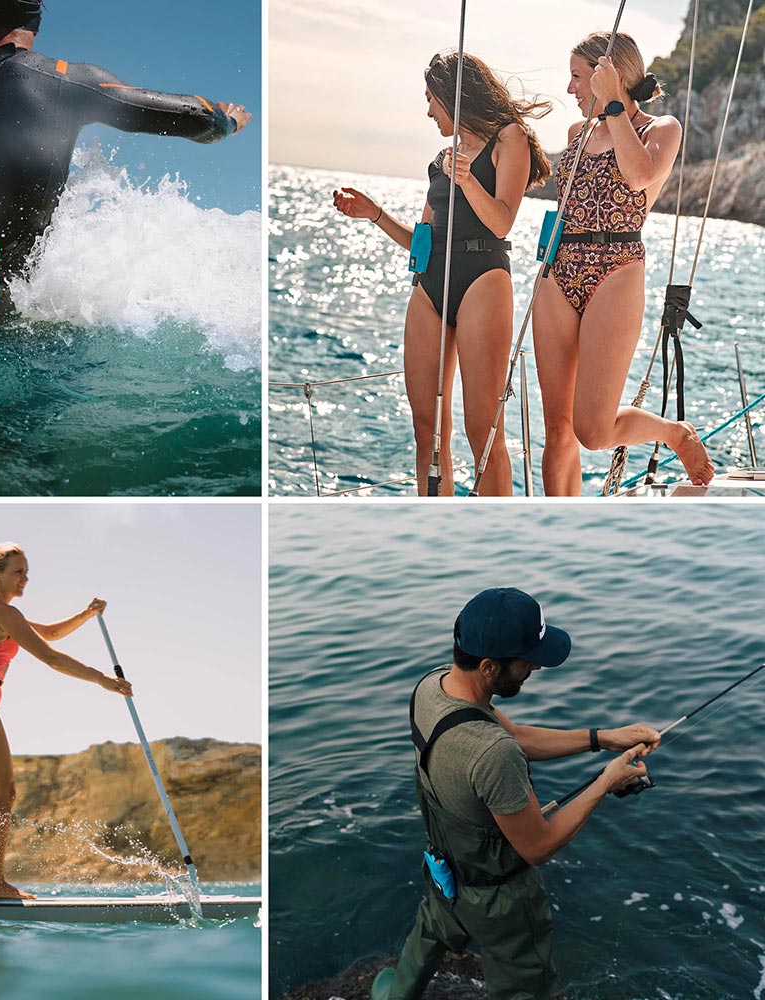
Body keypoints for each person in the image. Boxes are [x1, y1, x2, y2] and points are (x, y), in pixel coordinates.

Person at [0, 0, 251, 334]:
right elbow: (199, 118)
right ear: (34, 24)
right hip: (16, 323)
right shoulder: (64, 80)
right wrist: (227, 122)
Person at [371, 587, 661, 1000]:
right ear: (489, 666)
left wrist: (603, 738)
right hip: (501, 901)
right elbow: (538, 847)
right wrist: (606, 782)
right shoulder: (493, 753)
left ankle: (395, 995)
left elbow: (519, 737)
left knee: (430, 932)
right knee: (526, 986)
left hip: (446, 869)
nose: (536, 667)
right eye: (527, 660)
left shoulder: (432, 686)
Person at [333, 52, 551, 496]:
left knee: (482, 430)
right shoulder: (444, 158)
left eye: (432, 98)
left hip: (482, 279)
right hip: (430, 285)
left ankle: (498, 529)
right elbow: (422, 240)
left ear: (455, 95)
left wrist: (467, 179)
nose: (429, 110)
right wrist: (375, 214)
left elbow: (502, 222)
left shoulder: (510, 138)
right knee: (426, 425)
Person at [532, 32, 715, 495]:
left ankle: (673, 433)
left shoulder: (661, 129)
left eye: (578, 77)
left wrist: (615, 104)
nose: (571, 88)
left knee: (592, 431)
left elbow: (638, 176)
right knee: (557, 430)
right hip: (559, 269)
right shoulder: (577, 133)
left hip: (616, 267)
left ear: (608, 75)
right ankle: (558, 530)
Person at [0, 542, 132, 900]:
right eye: (18, 572)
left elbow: (50, 633)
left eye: (26, 573)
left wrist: (86, 614)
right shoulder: (3, 613)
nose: (24, 579)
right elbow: (51, 657)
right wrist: (102, 679)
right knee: (3, 795)